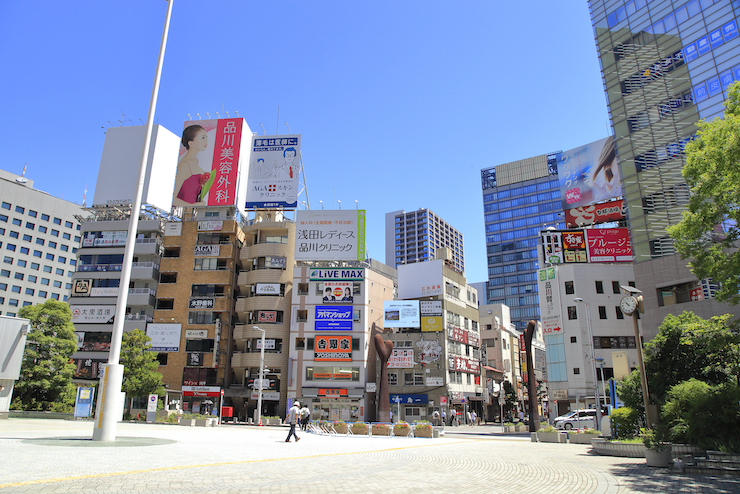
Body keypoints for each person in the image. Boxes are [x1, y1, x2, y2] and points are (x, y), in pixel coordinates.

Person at [174, 125, 216, 205]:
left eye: (206, 137)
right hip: (184, 213)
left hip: (192, 213)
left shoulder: (195, 161)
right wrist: (192, 206)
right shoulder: (185, 165)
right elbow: (173, 199)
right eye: (203, 138)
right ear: (191, 143)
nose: (206, 141)